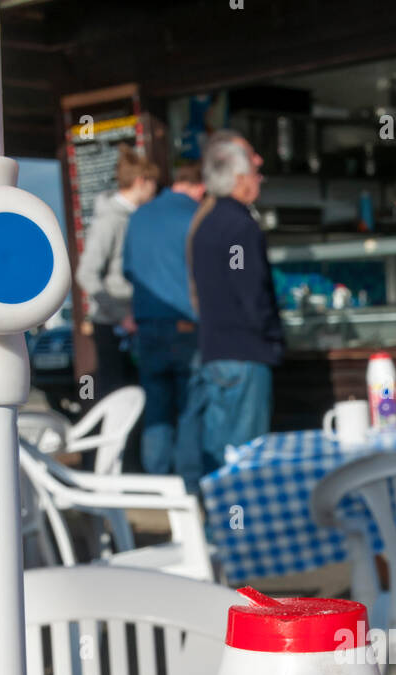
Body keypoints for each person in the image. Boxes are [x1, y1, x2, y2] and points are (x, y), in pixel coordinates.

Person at [189, 131, 283, 479]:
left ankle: (218, 526)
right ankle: (237, 529)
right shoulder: (240, 227)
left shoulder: (205, 225)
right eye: (255, 174)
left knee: (219, 454)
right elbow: (250, 291)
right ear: (240, 180)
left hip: (216, 353)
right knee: (246, 457)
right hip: (244, 353)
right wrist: (273, 337)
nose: (259, 180)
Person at [122, 161, 205, 477]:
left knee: (156, 407)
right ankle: (188, 488)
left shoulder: (139, 216)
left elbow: (128, 270)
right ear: (200, 187)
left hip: (147, 326)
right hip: (186, 326)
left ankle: (158, 486)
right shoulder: (196, 215)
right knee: (189, 409)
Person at [76, 146, 158, 400]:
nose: (156, 190)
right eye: (153, 183)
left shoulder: (137, 218)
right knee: (119, 398)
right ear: (141, 181)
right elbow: (86, 273)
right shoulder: (110, 219)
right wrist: (122, 315)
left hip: (133, 322)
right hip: (115, 326)